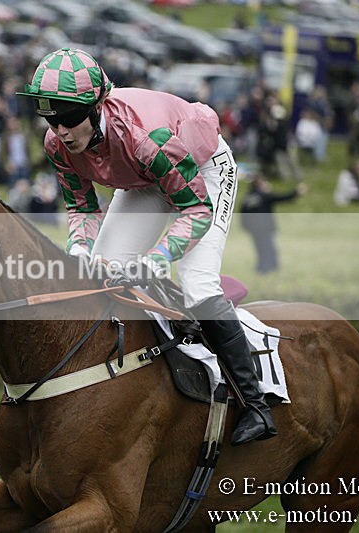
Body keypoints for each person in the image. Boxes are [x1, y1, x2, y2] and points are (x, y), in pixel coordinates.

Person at [17, 48, 277, 446]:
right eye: (51, 119)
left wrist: (158, 257)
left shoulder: (145, 138)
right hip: (143, 178)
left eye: (69, 117)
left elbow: (196, 211)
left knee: (198, 285)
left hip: (201, 170)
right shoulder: (56, 144)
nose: (61, 131)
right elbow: (82, 207)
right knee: (100, 272)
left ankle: (256, 404)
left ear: (97, 107)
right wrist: (79, 249)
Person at [240, 175, 307, 274]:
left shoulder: (248, 197)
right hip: (265, 228)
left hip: (254, 229)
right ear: (260, 184)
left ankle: (262, 267)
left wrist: (246, 227)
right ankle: (269, 268)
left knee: (260, 248)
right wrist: (296, 192)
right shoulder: (264, 196)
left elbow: (243, 214)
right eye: (265, 182)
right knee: (268, 248)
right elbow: (282, 198)